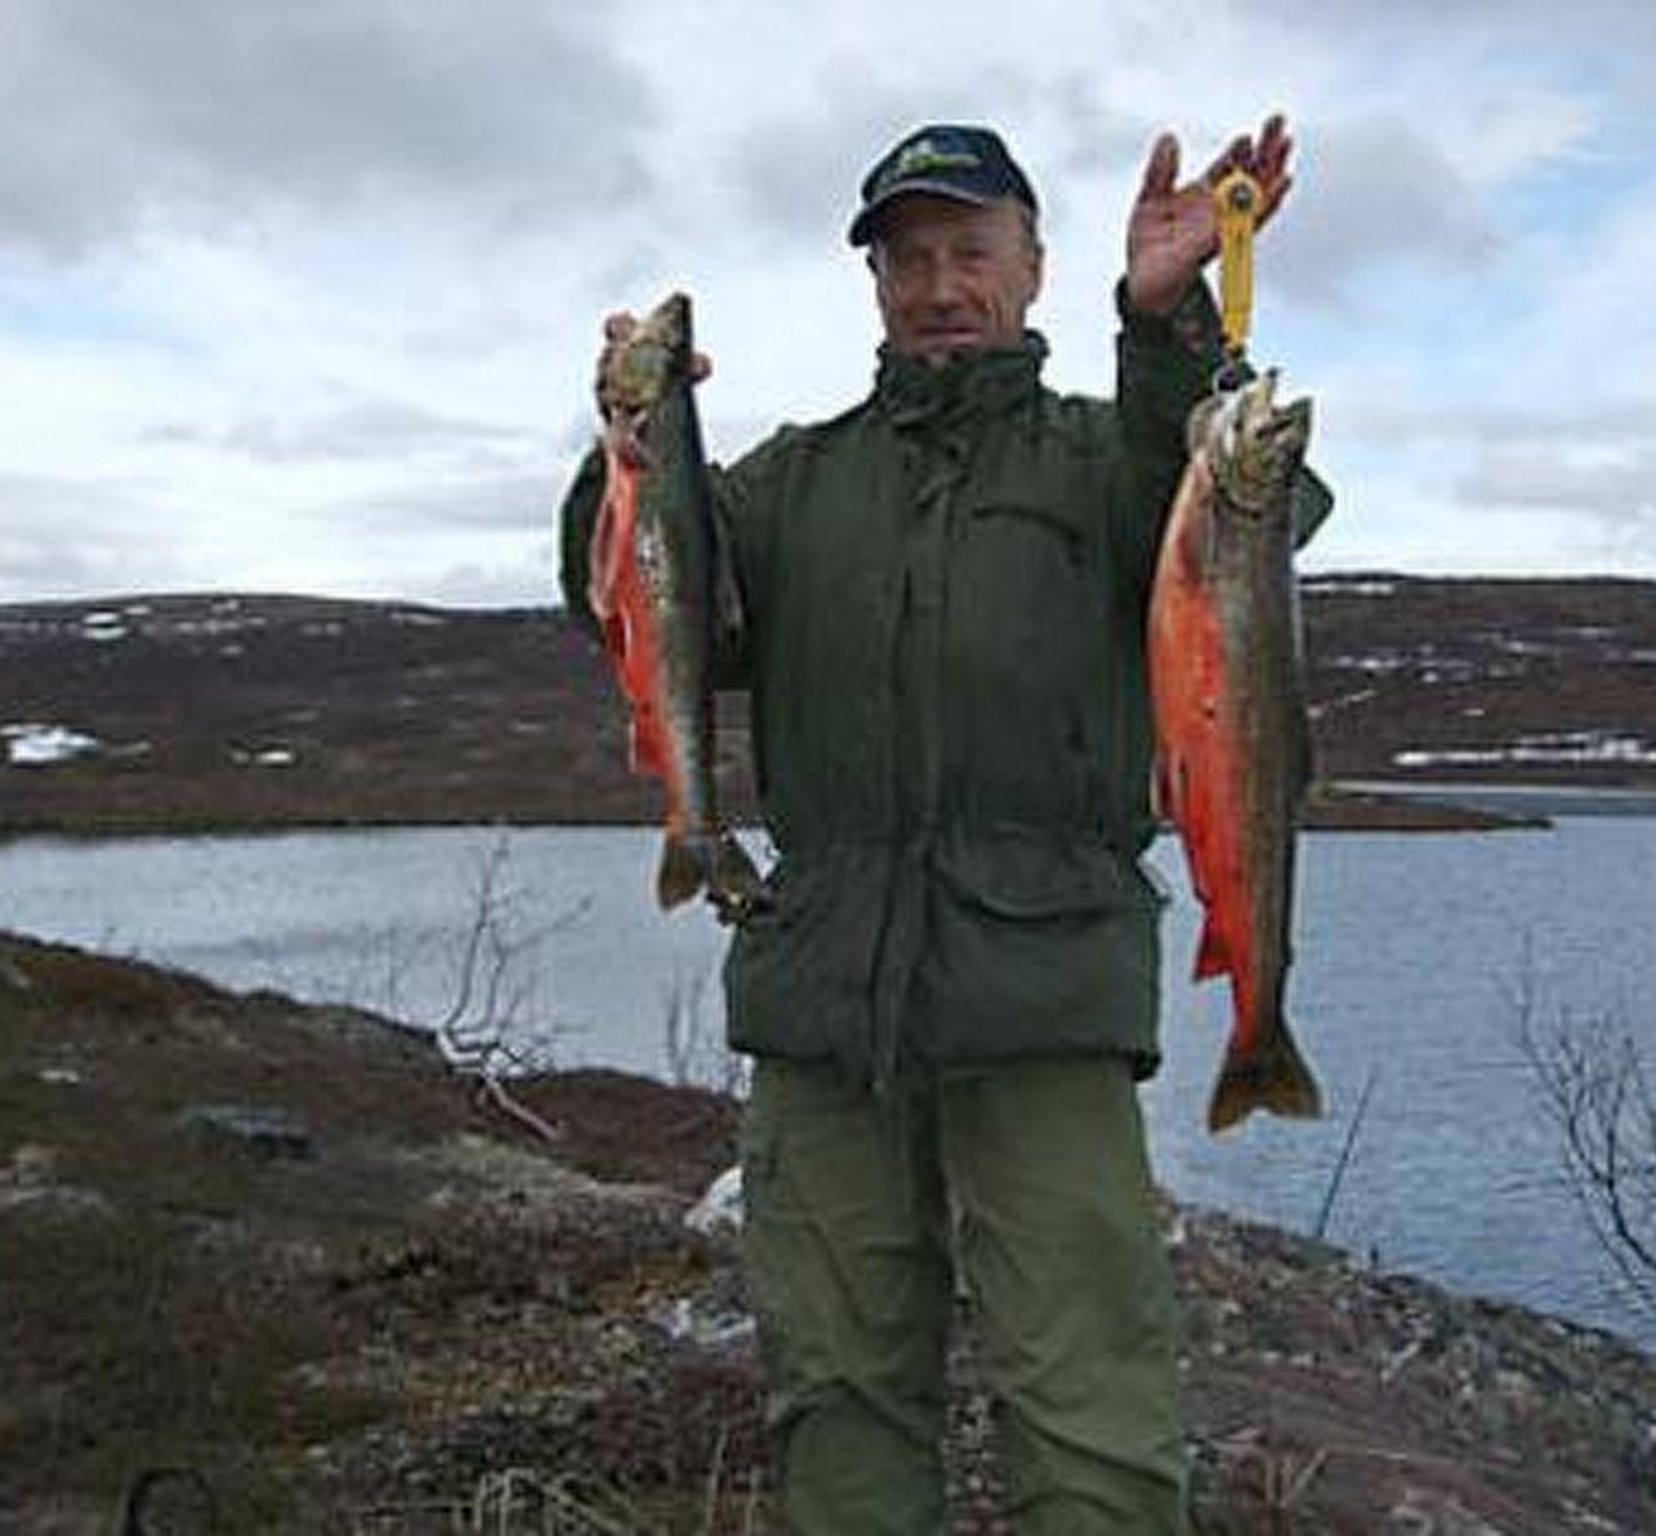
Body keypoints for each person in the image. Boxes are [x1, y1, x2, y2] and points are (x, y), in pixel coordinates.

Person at [559, 116, 1328, 1535]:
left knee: (1088, 1405)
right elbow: (644, 600)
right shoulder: (792, 483)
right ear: (874, 288)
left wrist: (1169, 322)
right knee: (836, 1395)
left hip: (1042, 998)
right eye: (908, 259)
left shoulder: (1109, 467)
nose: (939, 284)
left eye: (972, 250)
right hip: (823, 1007)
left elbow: (1253, 513)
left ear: (1032, 269)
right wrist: (629, 446)